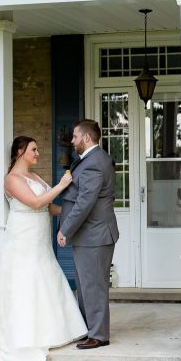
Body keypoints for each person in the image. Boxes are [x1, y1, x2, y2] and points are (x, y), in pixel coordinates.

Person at [0, 136, 86, 361]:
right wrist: (62, 184)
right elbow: (35, 202)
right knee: (27, 282)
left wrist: (74, 214)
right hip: (23, 237)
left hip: (39, 238)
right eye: (34, 150)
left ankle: (53, 331)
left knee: (45, 278)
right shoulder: (12, 180)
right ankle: (29, 335)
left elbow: (49, 208)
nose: (38, 153)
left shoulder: (35, 177)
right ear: (20, 151)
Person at [57, 119, 119, 349]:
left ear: (86, 138)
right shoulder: (92, 160)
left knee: (93, 285)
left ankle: (99, 335)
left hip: (95, 235)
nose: (72, 142)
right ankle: (90, 329)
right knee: (85, 286)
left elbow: (85, 202)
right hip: (89, 235)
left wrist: (66, 228)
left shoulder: (94, 162)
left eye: (74, 137)